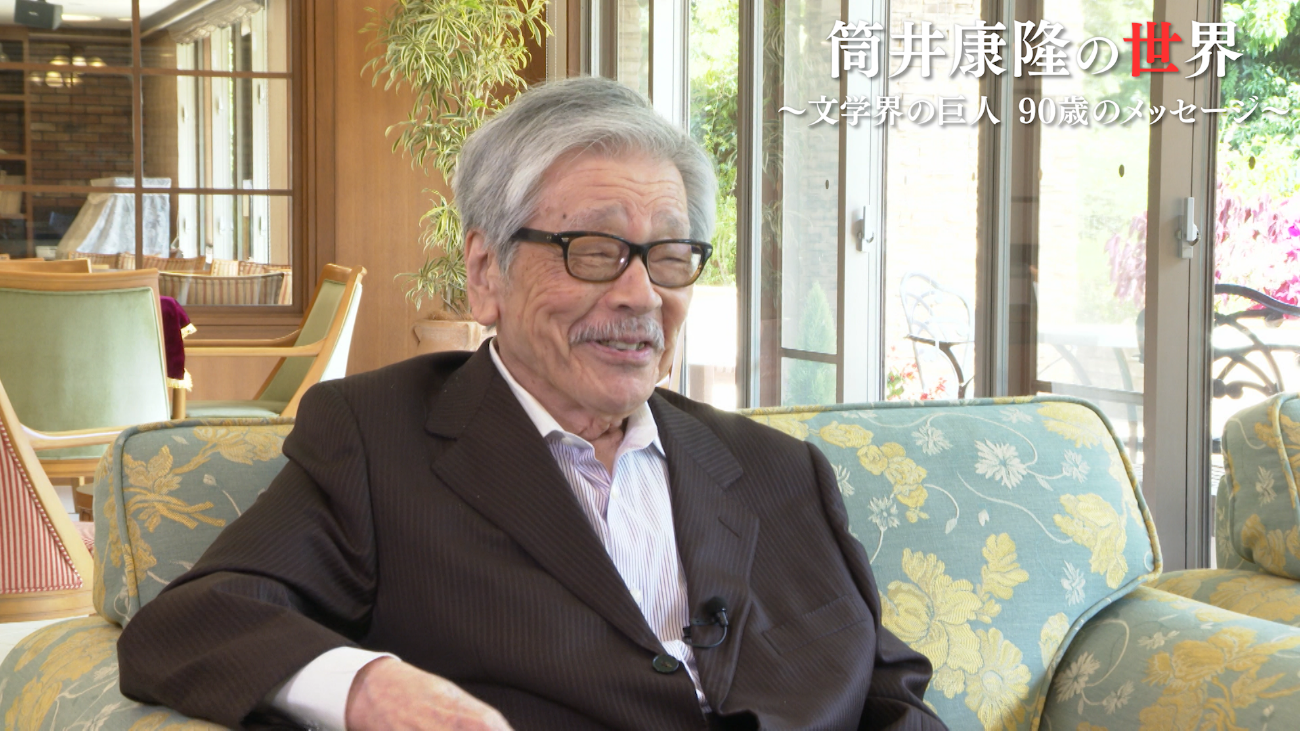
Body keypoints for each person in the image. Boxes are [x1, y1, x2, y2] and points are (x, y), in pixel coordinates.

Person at [118, 76, 945, 731]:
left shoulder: (779, 469)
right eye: (593, 250)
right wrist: (367, 686)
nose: (641, 295)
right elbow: (193, 622)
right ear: (486, 273)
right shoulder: (377, 441)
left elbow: (888, 692)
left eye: (668, 254)